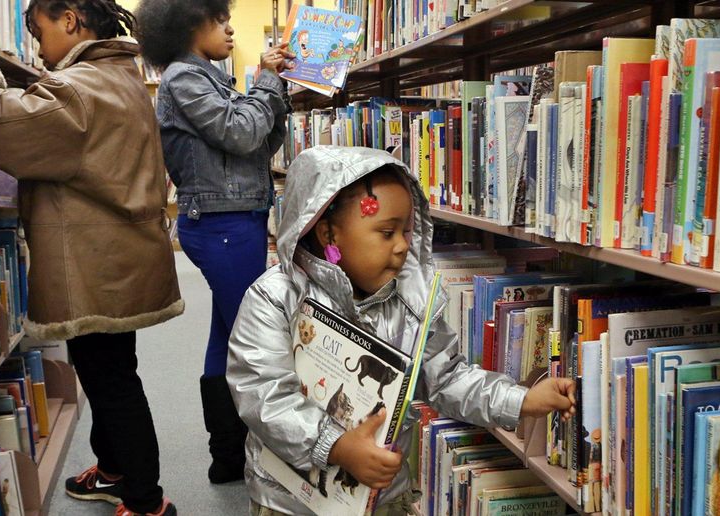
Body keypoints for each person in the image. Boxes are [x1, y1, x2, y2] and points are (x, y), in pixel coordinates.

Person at [227, 146, 577, 515]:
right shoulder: (275, 298)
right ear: (329, 234)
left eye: (407, 231)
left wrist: (520, 400)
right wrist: (337, 446)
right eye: (386, 232)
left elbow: (446, 378)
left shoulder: (411, 302)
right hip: (293, 500)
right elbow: (263, 393)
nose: (401, 246)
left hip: (382, 497)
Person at [0, 1, 182, 515]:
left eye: (40, 30)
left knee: (112, 381)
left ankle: (146, 501)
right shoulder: (117, 75)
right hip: (116, 258)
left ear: (71, 20)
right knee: (106, 370)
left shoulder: (78, 88)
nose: (39, 49)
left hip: (100, 263)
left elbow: (0, 124)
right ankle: (115, 470)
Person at [134, 0, 294, 484]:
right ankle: (251, 450)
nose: (229, 30)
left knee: (227, 337)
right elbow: (241, 133)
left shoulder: (208, 77)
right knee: (255, 338)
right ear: (187, 25)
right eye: (219, 21)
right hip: (222, 225)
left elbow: (259, 145)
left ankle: (227, 456)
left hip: (236, 219)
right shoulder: (185, 78)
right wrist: (265, 81)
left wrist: (279, 88)